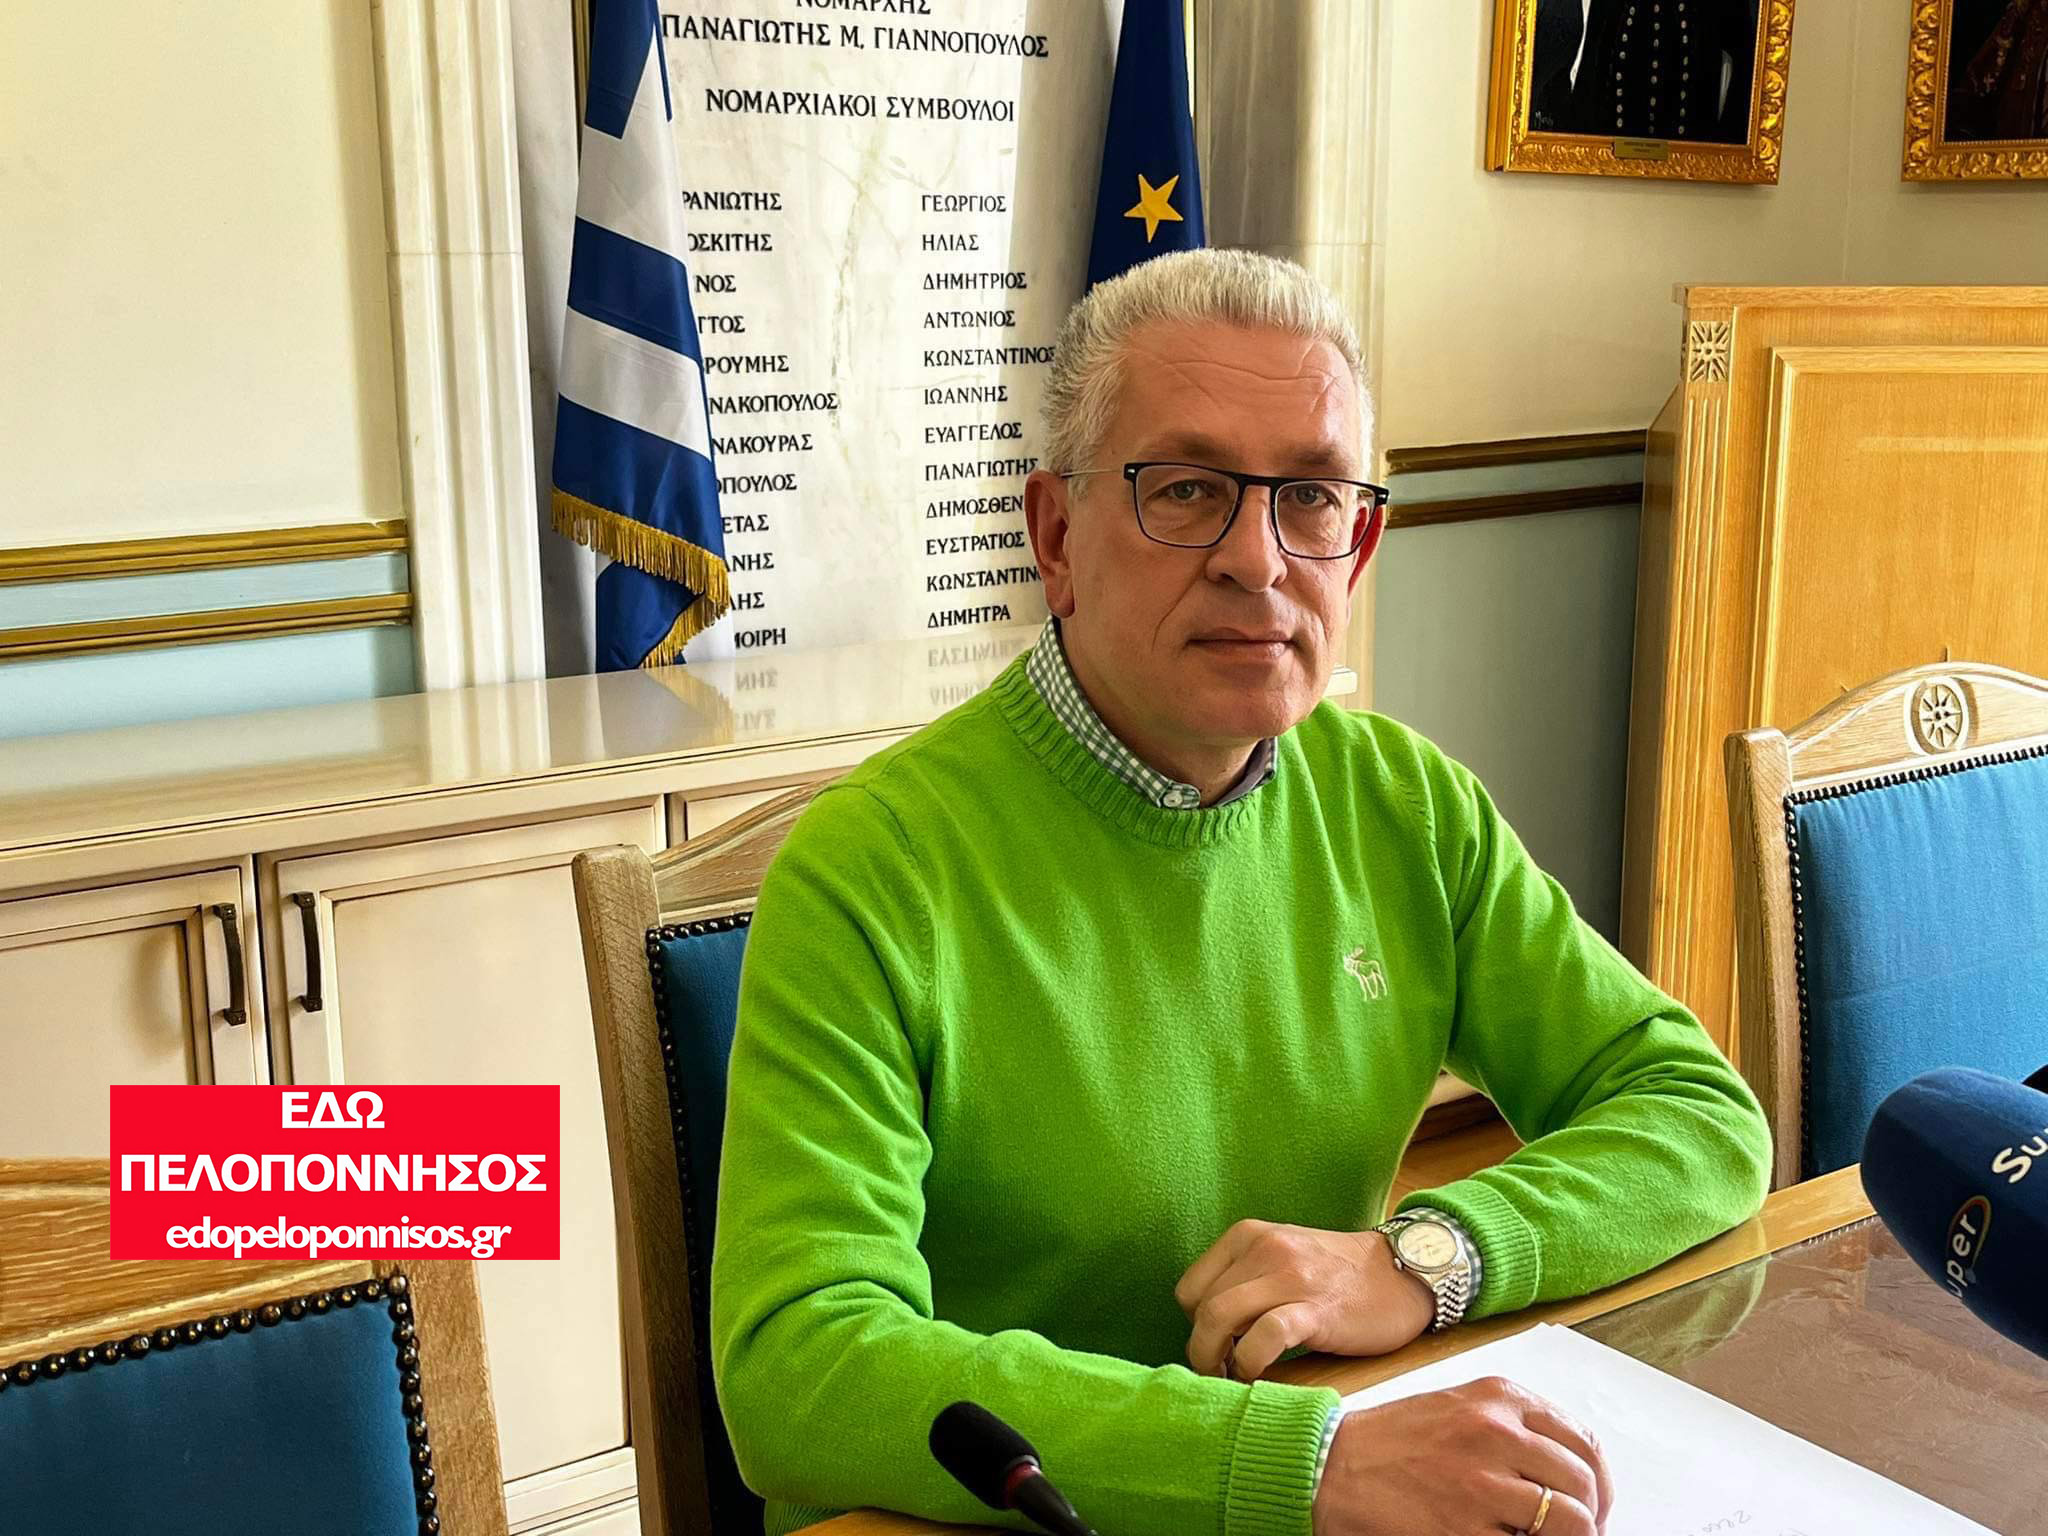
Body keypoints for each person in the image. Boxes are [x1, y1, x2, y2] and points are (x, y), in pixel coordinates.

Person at [712, 248, 1771, 1536]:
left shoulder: (1405, 804)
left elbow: (1700, 1117)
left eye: (1311, 498)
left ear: (1358, 546)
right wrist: (1298, 1465)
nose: (1257, 561)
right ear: (1055, 537)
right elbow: (799, 1365)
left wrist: (1425, 1260)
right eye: (1187, 491)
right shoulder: (871, 867)